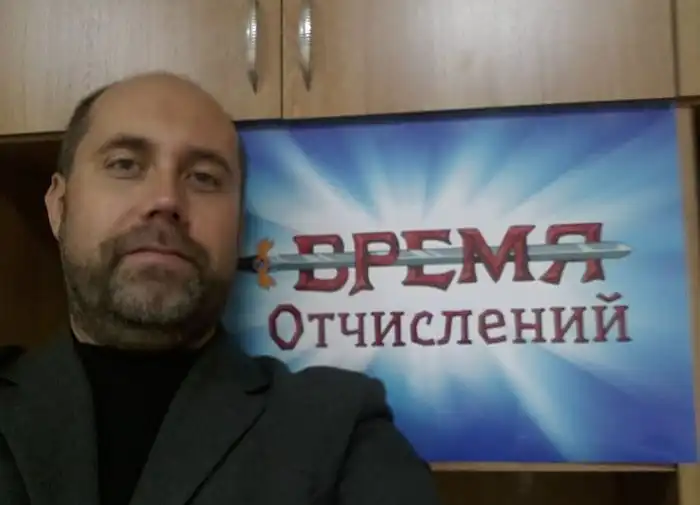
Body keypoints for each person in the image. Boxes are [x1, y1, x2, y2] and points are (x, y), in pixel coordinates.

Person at [0, 72, 441, 505]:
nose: (166, 199)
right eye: (125, 165)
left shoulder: (337, 426)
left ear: (238, 228)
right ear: (59, 206)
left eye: (204, 177)